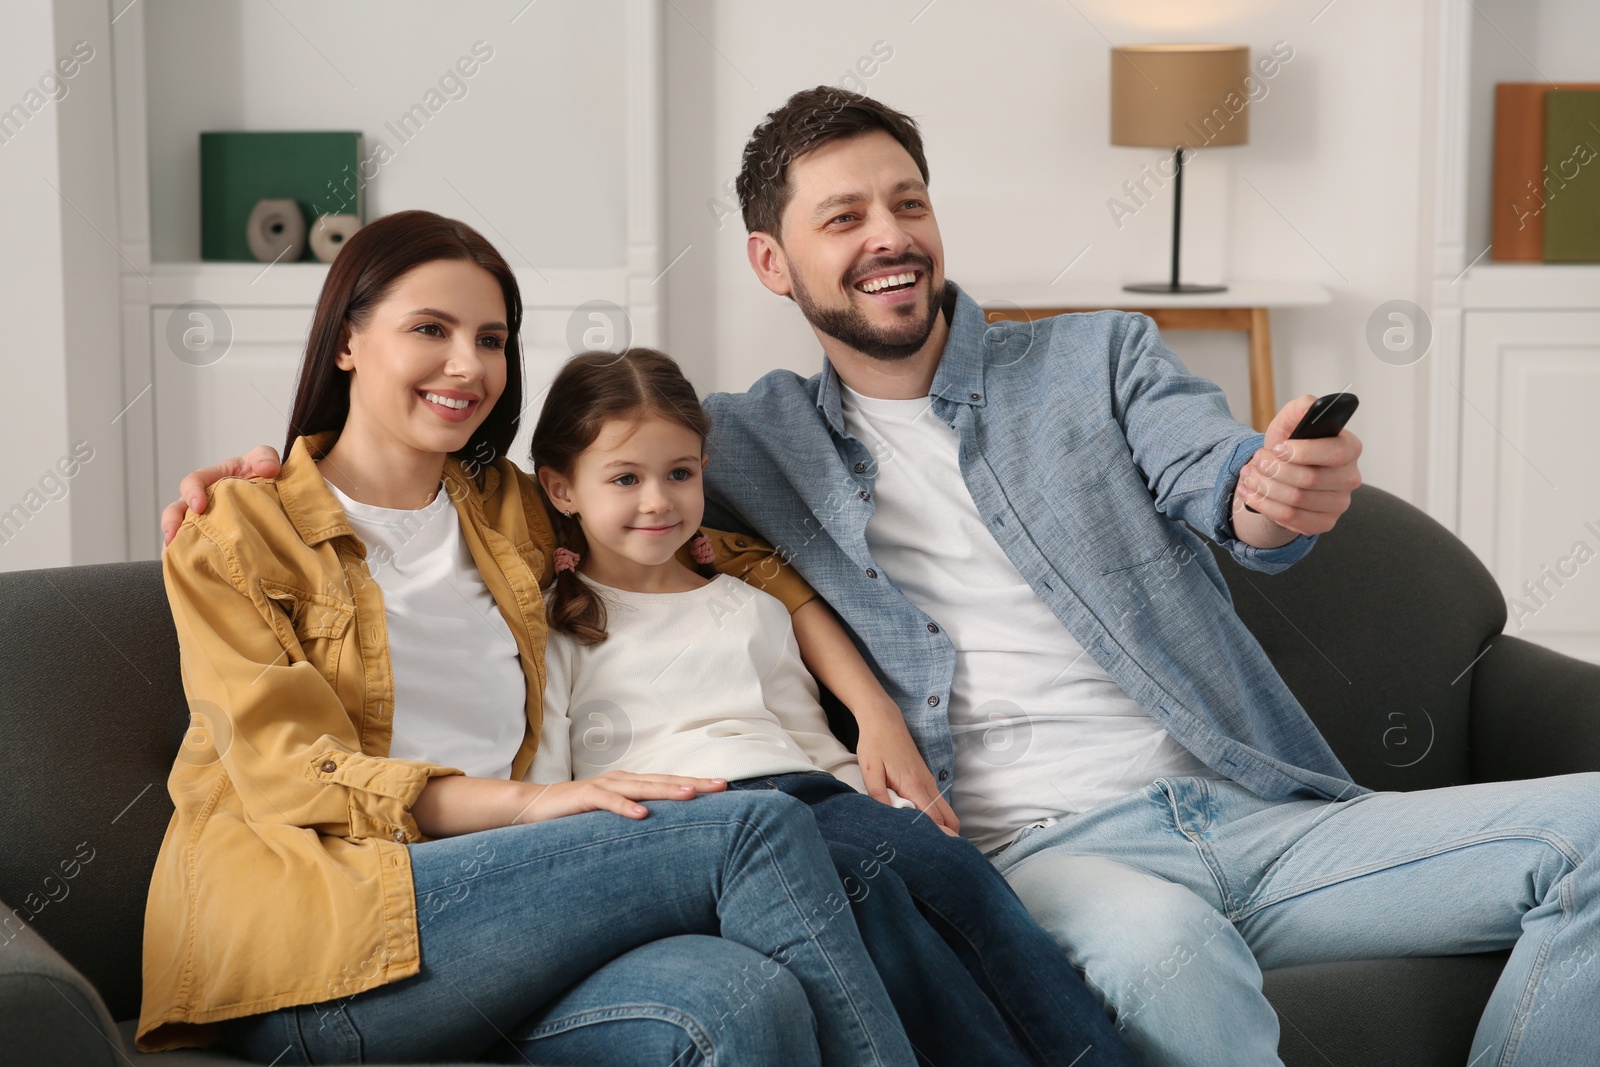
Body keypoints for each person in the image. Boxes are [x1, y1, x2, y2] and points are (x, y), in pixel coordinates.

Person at [164, 89, 1600, 1067]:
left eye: (904, 201)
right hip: (1038, 848)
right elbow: (587, 489)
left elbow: (1217, 480)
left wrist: (1267, 491)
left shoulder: (1094, 357)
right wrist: (266, 474)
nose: (888, 236)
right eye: (842, 217)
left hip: (1253, 804)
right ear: (773, 262)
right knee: (851, 862)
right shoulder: (743, 436)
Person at [140, 209, 923, 1067]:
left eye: (492, 338)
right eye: (429, 330)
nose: (468, 365)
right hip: (320, 939)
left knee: (746, 1000)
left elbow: (682, 543)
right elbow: (290, 768)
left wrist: (873, 704)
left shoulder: (507, 507)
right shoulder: (236, 533)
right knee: (754, 829)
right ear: (347, 342)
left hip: (512, 905)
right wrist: (530, 804)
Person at [527, 346, 1137, 1067]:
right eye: (625, 478)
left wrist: (894, 808)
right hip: (685, 821)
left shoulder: (753, 603)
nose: (658, 500)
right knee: (863, 891)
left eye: (680, 473)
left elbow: (809, 739)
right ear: (562, 489)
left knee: (956, 870)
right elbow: (548, 777)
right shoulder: (557, 623)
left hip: (809, 794)